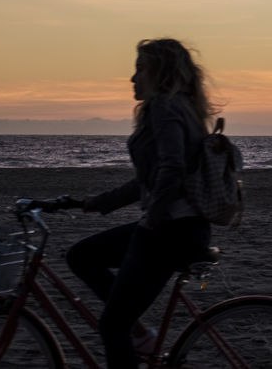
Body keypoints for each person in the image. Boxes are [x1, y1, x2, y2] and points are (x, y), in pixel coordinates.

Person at [66, 38, 215, 369]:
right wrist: (99, 202)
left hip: (168, 231)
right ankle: (139, 333)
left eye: (139, 70)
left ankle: (135, 332)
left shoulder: (164, 106)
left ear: (158, 72)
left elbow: (172, 168)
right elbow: (149, 179)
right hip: (184, 228)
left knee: (111, 325)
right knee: (82, 255)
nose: (132, 79)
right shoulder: (185, 109)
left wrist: (152, 220)